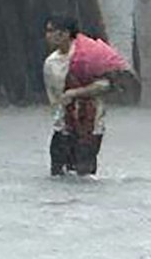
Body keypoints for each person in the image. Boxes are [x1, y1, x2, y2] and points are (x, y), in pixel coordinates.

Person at [44, 16, 117, 177]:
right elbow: (54, 98)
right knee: (57, 174)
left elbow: (106, 85)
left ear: (64, 34)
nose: (47, 35)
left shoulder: (89, 57)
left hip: (90, 126)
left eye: (51, 31)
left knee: (84, 177)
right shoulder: (50, 63)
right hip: (63, 126)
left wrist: (76, 93)